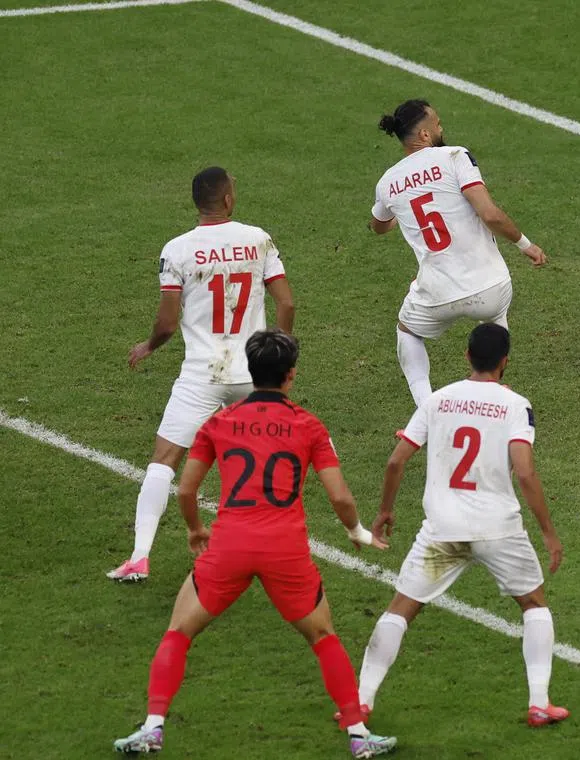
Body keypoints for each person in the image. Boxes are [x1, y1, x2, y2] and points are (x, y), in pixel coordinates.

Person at [112, 329, 397, 758]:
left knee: (179, 631)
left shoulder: (218, 422)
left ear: (251, 370)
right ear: (290, 376)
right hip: (286, 548)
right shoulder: (309, 425)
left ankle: (153, 727)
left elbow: (187, 490)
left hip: (230, 544)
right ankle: (358, 734)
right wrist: (356, 532)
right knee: (323, 636)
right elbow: (339, 496)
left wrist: (194, 529)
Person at [352, 324, 568, 727]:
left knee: (399, 611)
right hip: (498, 529)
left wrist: (384, 511)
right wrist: (548, 532)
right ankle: (539, 703)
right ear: (505, 361)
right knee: (534, 605)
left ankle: (361, 701)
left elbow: (397, 460)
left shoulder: (438, 400)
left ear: (466, 356)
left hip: (442, 530)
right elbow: (524, 472)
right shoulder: (515, 405)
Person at [107, 167, 296, 582]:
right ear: (228, 200)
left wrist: (149, 346)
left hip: (201, 374)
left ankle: (139, 557)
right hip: (253, 372)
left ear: (198, 203)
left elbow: (167, 323)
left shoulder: (177, 249)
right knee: (265, 462)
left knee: (164, 460)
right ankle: (270, 555)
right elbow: (286, 304)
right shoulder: (257, 239)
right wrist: (278, 355)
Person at [369, 99, 547, 408]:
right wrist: (525, 244)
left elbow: (379, 226)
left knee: (407, 333)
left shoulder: (387, 183)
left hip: (437, 293)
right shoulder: (454, 156)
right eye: (437, 124)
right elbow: (490, 215)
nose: (441, 128)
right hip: (491, 288)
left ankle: (427, 409)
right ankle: (490, 399)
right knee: (494, 323)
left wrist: (400, 210)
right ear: (424, 135)